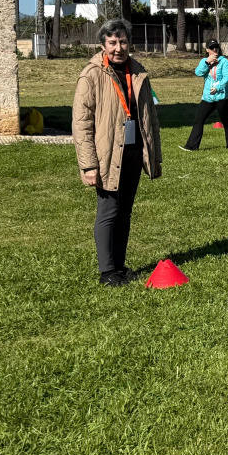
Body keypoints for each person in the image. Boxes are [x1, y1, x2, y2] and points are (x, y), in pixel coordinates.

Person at [72, 19, 162, 287]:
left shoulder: (138, 72)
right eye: (112, 43)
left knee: (125, 211)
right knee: (109, 211)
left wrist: (153, 154)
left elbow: (150, 117)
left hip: (134, 152)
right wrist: (88, 165)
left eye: (122, 42)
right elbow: (81, 123)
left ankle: (120, 267)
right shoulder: (92, 74)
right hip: (108, 155)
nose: (118, 48)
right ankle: (106, 271)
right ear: (103, 45)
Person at [180, 39, 228, 151]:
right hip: (208, 98)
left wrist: (218, 87)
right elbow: (198, 73)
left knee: (226, 122)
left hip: (223, 97)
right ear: (207, 50)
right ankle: (192, 146)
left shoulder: (224, 61)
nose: (215, 49)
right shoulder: (204, 61)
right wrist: (207, 62)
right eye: (212, 48)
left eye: (216, 47)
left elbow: (227, 77)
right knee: (198, 120)